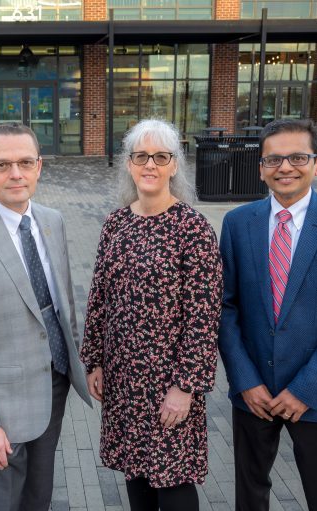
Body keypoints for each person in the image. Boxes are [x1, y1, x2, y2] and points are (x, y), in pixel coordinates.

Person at [218, 118, 317, 511]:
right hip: (254, 394)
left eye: (297, 157)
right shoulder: (238, 224)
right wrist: (244, 381)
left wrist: (305, 389)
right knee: (249, 497)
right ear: (260, 168)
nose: (285, 167)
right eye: (273, 159)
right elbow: (224, 307)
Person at [0, 123, 92, 511]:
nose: (16, 174)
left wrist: (79, 364)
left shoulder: (52, 221)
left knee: (38, 497)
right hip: (2, 406)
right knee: (1, 502)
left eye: (25, 162)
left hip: (54, 385)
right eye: (3, 164)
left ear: (39, 166)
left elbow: (62, 305)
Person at [80, 119, 223, 511]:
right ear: (129, 163)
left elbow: (203, 318)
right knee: (137, 478)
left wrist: (185, 387)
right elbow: (99, 298)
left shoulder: (192, 229)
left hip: (168, 384)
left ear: (174, 166)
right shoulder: (116, 223)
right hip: (125, 380)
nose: (150, 165)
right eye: (141, 156)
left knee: (174, 484)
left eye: (161, 156)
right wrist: (94, 361)